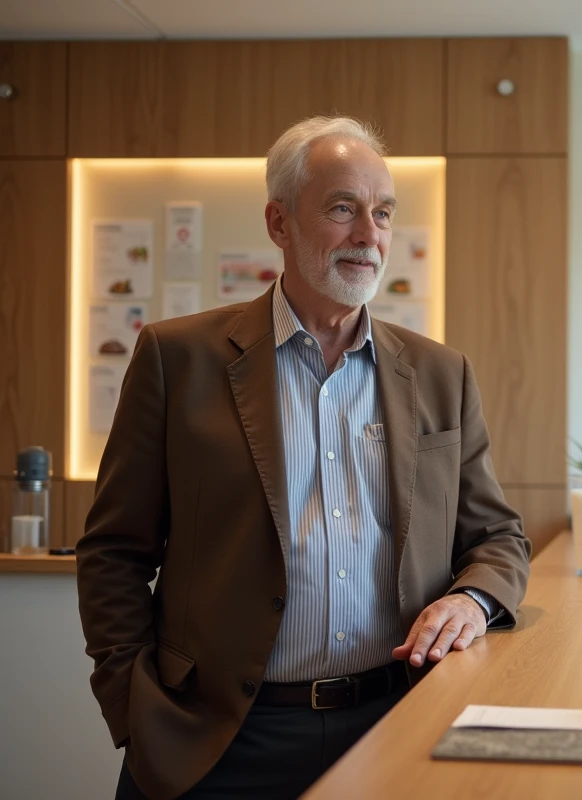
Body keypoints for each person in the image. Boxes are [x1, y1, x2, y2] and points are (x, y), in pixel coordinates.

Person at [76, 116, 532, 800]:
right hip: (217, 741)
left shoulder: (442, 374)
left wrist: (473, 599)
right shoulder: (177, 359)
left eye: (383, 213)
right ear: (279, 223)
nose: (369, 235)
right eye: (343, 208)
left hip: (396, 723)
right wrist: (133, 707)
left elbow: (499, 537)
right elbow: (113, 551)